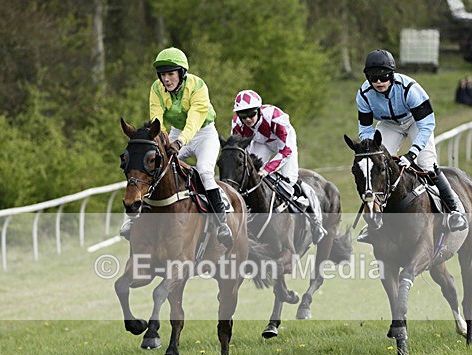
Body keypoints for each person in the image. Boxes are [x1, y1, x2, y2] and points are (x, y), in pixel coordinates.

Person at [121, 47, 233, 248]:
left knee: (205, 171)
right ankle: (135, 218)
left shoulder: (198, 86)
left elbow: (194, 120)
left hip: (204, 133)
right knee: (157, 167)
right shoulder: (156, 88)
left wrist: (179, 142)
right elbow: (157, 121)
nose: (166, 79)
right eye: (163, 75)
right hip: (175, 132)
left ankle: (221, 222)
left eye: (171, 74)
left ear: (181, 73)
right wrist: (162, 141)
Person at [356, 49, 467, 232]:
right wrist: (370, 149)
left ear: (392, 75)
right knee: (373, 164)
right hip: (389, 124)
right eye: (373, 77)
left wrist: (412, 153)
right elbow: (365, 129)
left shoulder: (409, 89)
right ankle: (374, 218)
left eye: (383, 76)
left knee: (426, 164)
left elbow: (427, 124)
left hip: (416, 122)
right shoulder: (364, 94)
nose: (379, 82)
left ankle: (455, 210)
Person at [230, 89, 325, 244]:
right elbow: (239, 151)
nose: (247, 119)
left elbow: (286, 151)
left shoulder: (275, 117)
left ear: (259, 110)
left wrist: (267, 169)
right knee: (249, 177)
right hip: (261, 143)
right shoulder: (236, 123)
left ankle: (316, 220)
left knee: (288, 180)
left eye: (251, 114)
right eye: (242, 115)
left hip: (283, 143)